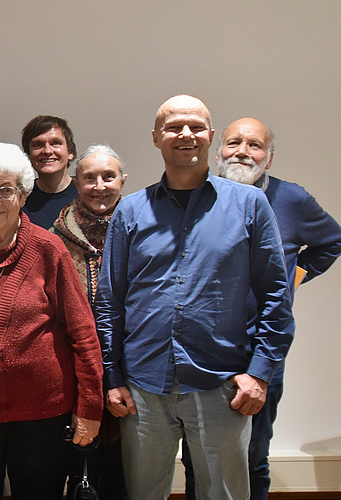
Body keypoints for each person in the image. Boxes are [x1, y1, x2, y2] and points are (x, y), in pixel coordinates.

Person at [96, 95, 293, 500]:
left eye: (196, 126)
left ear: (211, 136)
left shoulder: (249, 204)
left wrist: (260, 373)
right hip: (143, 387)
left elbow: (276, 294)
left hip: (222, 384)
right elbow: (109, 301)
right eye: (173, 127)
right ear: (156, 137)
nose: (185, 134)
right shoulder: (130, 211)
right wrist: (112, 377)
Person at [181, 117, 341, 500]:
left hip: (261, 350)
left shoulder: (292, 200)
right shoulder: (195, 197)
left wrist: (292, 278)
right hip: (200, 351)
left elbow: (332, 240)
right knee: (196, 457)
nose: (242, 152)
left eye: (254, 145)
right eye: (234, 142)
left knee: (253, 456)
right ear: (218, 153)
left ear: (268, 158)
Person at [0, 142, 103, 500]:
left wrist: (90, 406)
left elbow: (83, 333)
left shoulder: (49, 249)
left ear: (23, 195)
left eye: (6, 190)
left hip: (42, 415)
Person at [52, 144, 129, 500]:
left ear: (123, 181)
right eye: (89, 178)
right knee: (78, 474)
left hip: (131, 370)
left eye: (108, 177)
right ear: (76, 183)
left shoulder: (143, 230)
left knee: (124, 475)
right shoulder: (55, 238)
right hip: (73, 370)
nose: (99, 186)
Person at [20, 115, 79, 229]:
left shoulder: (87, 194)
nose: (47, 151)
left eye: (55, 143)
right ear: (29, 155)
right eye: (38, 145)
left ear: (70, 152)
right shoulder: (20, 199)